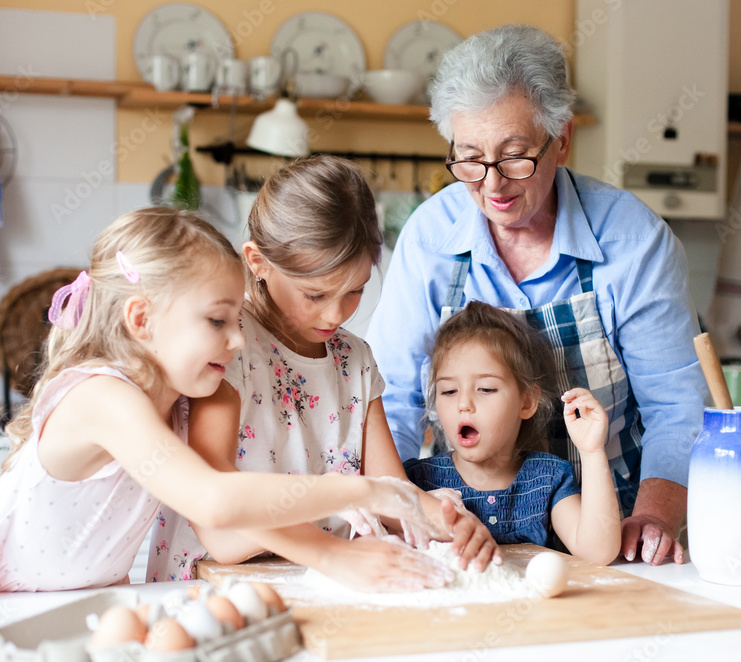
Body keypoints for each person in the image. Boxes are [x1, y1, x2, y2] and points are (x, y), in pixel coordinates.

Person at [0, 208, 444, 662]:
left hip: (73, 609)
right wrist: (359, 493)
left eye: (237, 318)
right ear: (141, 318)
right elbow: (213, 497)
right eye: (217, 320)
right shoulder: (103, 397)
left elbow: (233, 507)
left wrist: (348, 540)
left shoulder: (182, 399)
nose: (238, 339)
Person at [366, 25, 709, 566]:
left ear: (563, 139)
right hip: (466, 539)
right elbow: (392, 403)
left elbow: (677, 407)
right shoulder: (431, 239)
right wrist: (403, 517)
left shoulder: (633, 242)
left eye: (515, 156)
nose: (493, 184)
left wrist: (656, 516)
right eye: (469, 159)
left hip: (609, 536)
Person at [148, 157, 500, 590]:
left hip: (323, 581)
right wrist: (332, 508)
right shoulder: (228, 349)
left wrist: (452, 524)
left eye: (355, 290)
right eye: (314, 294)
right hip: (216, 588)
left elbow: (391, 492)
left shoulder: (355, 361)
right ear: (257, 262)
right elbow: (218, 526)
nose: (336, 313)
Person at [404, 301, 621, 565]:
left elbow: (597, 552)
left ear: (527, 402)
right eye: (449, 391)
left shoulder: (547, 479)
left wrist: (591, 451)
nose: (463, 404)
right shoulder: (418, 483)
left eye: (485, 389)